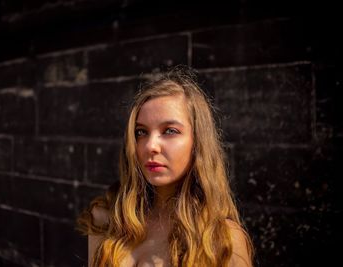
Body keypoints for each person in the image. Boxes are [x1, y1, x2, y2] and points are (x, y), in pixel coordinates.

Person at [78, 67, 254, 267]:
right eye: (141, 132)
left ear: (198, 142)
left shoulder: (223, 239)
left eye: (170, 131)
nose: (150, 146)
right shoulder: (106, 217)